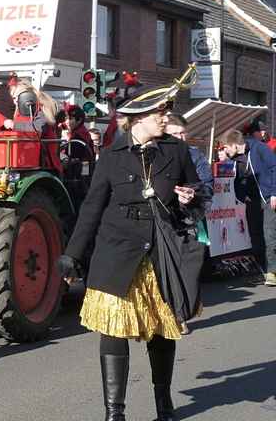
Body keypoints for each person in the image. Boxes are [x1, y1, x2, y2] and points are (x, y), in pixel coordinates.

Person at [58, 77, 207, 421]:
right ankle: (115, 412)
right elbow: (92, 208)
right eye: (160, 112)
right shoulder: (110, 157)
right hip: (116, 252)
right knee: (112, 328)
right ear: (138, 117)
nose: (165, 117)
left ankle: (164, 405)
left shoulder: (177, 151)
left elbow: (198, 197)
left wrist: (190, 198)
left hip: (160, 254)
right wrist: (72, 254)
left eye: (166, 111)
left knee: (161, 329)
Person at [164, 113, 213, 335]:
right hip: (165, 221)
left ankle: (183, 313)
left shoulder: (195, 156)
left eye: (183, 133)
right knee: (169, 272)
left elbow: (207, 187)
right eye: (174, 134)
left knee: (190, 272)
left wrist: (193, 194)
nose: (180, 137)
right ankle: (175, 316)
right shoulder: (157, 156)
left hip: (192, 221)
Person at [218, 129, 276, 286]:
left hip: (267, 197)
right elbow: (238, 178)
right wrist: (242, 198)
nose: (224, 150)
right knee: (255, 235)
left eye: (225, 147)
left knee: (269, 233)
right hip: (252, 201)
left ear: (235, 145)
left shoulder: (259, 148)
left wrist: (274, 193)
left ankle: (272, 271)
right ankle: (260, 271)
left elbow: (274, 167)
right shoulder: (235, 158)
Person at [4, 79, 62, 173]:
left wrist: (14, 125)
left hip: (42, 159)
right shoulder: (19, 112)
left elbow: (37, 127)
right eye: (13, 98)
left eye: (17, 97)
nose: (15, 101)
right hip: (23, 157)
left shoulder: (39, 109)